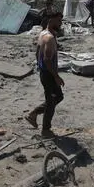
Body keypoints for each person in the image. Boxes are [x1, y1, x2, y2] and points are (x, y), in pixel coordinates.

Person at [26, 11, 65, 139]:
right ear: (51, 20)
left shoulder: (43, 33)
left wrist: (39, 66)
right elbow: (47, 60)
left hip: (45, 72)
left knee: (58, 97)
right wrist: (56, 76)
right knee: (52, 101)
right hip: (48, 75)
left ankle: (34, 113)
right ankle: (45, 129)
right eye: (58, 21)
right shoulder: (49, 38)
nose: (60, 24)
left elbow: (37, 53)